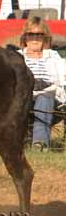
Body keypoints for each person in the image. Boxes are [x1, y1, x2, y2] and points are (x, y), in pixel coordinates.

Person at [18, 17, 66, 151]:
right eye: (31, 34)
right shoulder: (17, 57)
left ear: (45, 38)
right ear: (25, 37)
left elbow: (63, 76)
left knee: (44, 97)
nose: (35, 39)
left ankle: (39, 144)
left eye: (39, 35)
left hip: (50, 98)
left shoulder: (53, 56)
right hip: (23, 97)